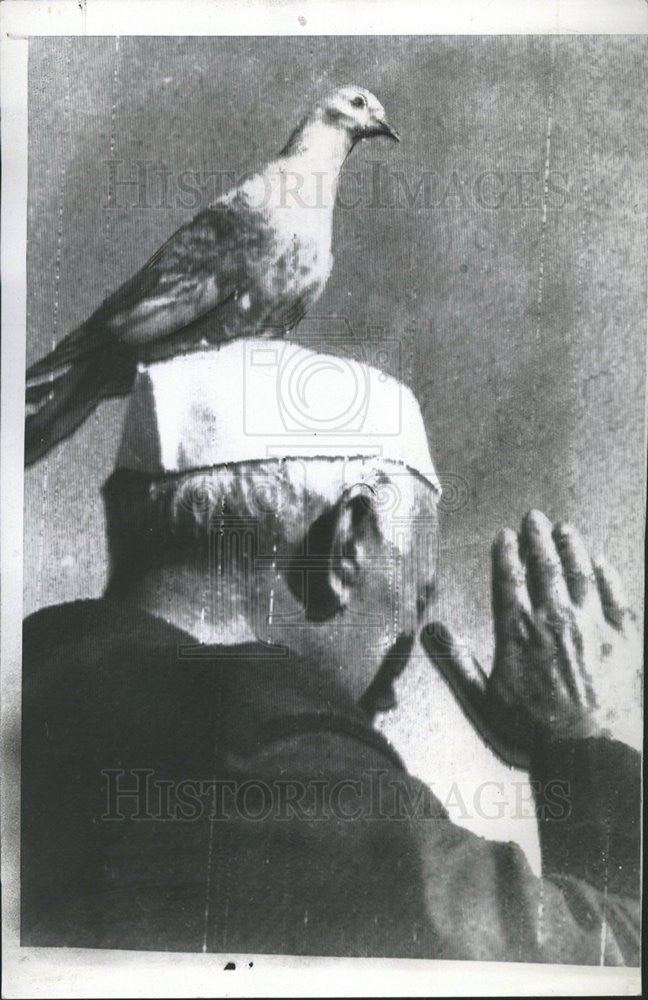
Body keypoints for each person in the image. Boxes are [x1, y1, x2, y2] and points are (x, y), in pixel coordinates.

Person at [21, 340, 641, 962]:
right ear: (345, 545)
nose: (394, 691)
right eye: (414, 604)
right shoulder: (279, 757)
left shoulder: (31, 693)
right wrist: (586, 746)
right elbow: (609, 961)